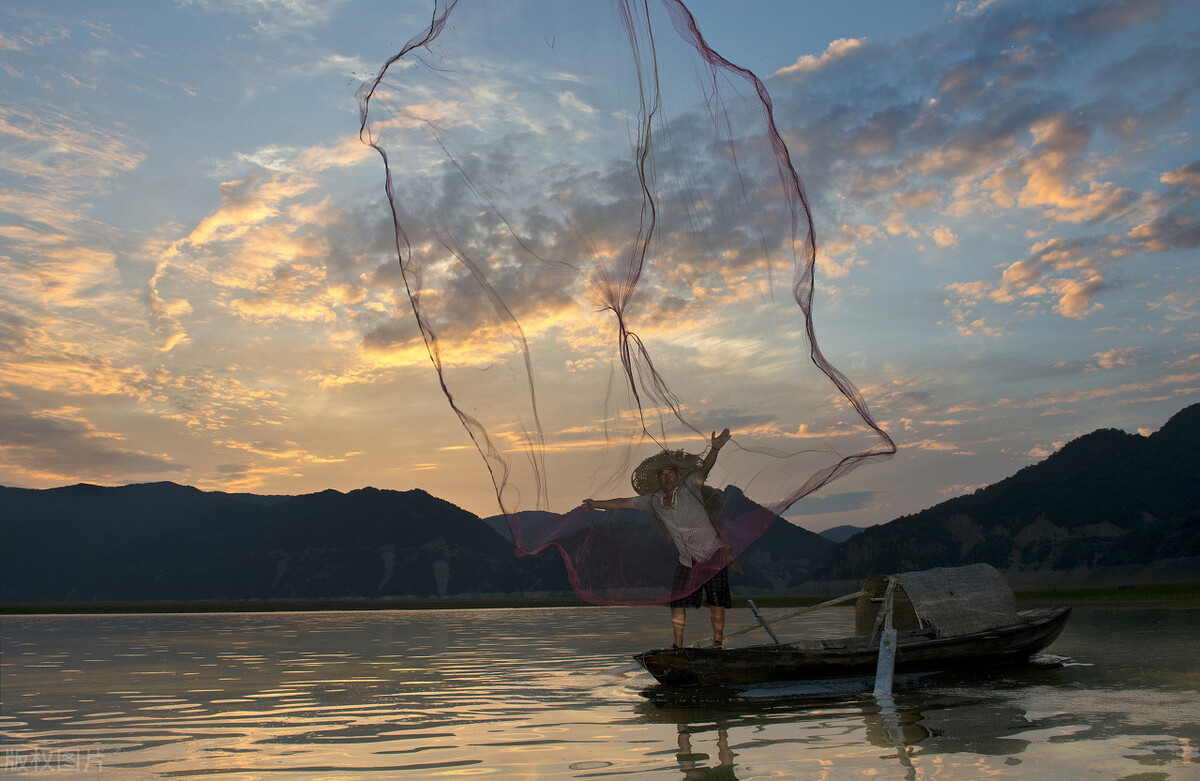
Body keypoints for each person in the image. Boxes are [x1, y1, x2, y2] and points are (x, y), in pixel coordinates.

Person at [583, 428, 733, 649]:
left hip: (712, 553)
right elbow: (623, 502)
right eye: (662, 475)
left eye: (670, 473)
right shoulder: (653, 500)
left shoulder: (690, 487)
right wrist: (596, 503)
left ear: (678, 476)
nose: (667, 476)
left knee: (716, 600)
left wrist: (715, 448)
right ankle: (678, 646)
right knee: (677, 602)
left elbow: (705, 467)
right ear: (659, 480)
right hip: (687, 559)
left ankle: (718, 643)